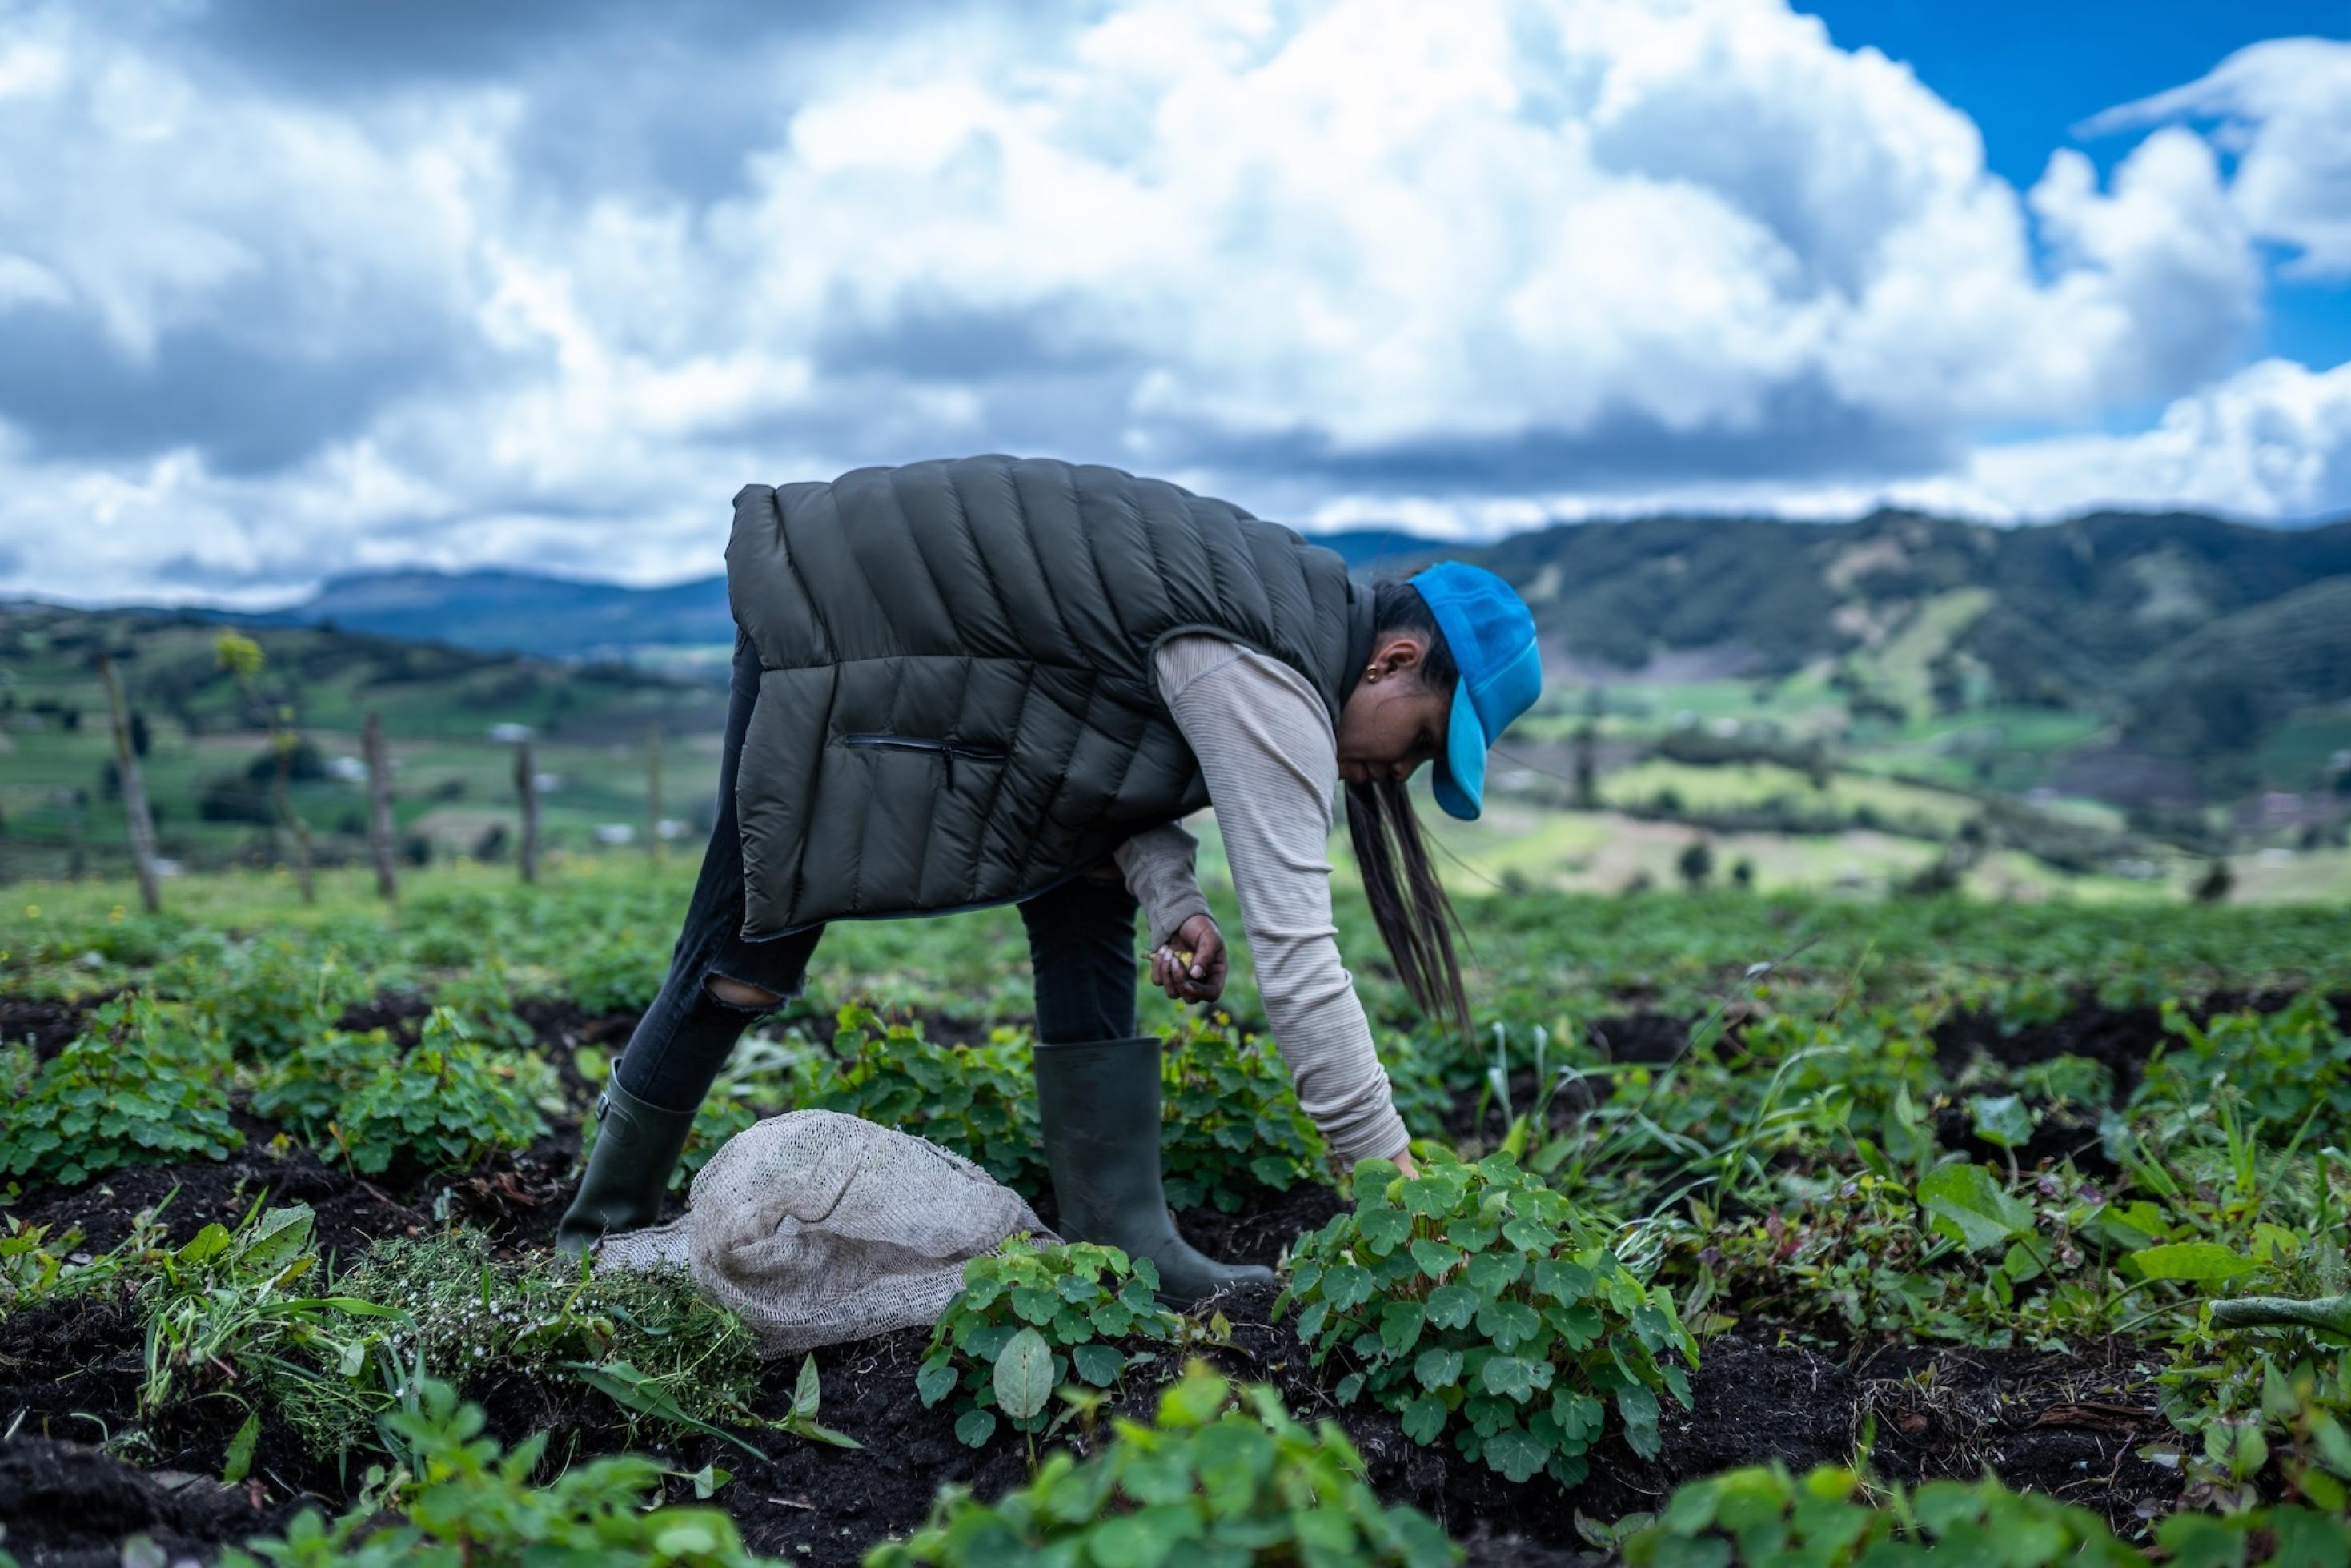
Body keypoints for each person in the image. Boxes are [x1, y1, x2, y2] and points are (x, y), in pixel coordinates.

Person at [556, 455, 1543, 1301]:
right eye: (1417, 744)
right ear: (1394, 661)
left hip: (968, 677)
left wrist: (1174, 899)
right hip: (836, 624)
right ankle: (592, 1240)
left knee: (1087, 889)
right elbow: (1298, 961)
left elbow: (1107, 749)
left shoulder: (1280, 623)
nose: (1393, 776)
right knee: (739, 965)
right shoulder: (1271, 670)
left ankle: (1125, 1238)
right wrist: (1401, 1191)